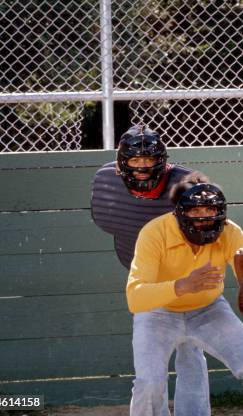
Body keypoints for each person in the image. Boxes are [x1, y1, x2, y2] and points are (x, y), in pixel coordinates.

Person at [127, 172, 243, 416]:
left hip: (209, 309)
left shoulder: (230, 232)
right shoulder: (154, 232)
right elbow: (135, 297)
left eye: (210, 210)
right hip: (158, 312)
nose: (204, 218)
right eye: (196, 212)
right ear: (178, 212)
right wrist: (182, 286)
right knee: (150, 385)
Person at [90, 125, 211, 415]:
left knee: (191, 354)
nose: (143, 166)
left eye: (149, 159)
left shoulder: (187, 183)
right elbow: (111, 222)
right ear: (122, 162)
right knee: (148, 374)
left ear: (163, 161)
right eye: (135, 160)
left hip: (187, 279)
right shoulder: (107, 183)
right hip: (148, 284)